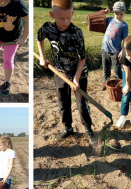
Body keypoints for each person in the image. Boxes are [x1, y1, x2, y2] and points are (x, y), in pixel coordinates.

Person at [37, 0, 94, 143]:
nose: (65, 21)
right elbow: (39, 37)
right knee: (63, 102)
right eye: (61, 18)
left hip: (79, 73)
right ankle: (68, 128)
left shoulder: (76, 33)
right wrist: (42, 58)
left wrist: (76, 78)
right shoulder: (48, 28)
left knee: (82, 104)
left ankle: (88, 129)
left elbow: (82, 58)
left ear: (72, 14)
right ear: (52, 15)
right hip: (59, 72)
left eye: (69, 17)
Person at [101, 1, 128, 90]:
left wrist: (123, 51)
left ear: (124, 12)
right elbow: (99, 18)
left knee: (117, 69)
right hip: (104, 49)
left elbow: (125, 40)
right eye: (116, 14)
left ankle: (119, 84)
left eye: (120, 14)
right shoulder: (109, 19)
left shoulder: (124, 26)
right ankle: (106, 82)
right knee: (106, 68)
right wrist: (104, 13)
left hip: (115, 51)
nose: (118, 16)